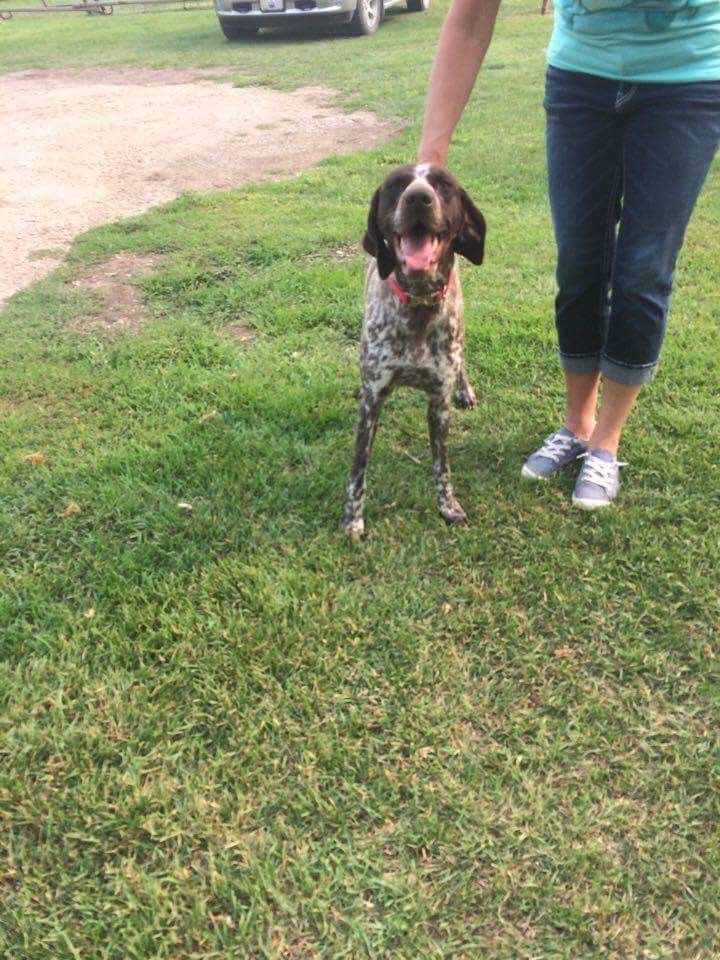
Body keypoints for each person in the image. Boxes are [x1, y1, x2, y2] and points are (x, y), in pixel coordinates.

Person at [418, 0, 720, 509]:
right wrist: (432, 154)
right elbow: (469, 18)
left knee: (644, 268)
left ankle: (606, 439)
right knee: (579, 262)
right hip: (581, 75)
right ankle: (577, 423)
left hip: (687, 78)